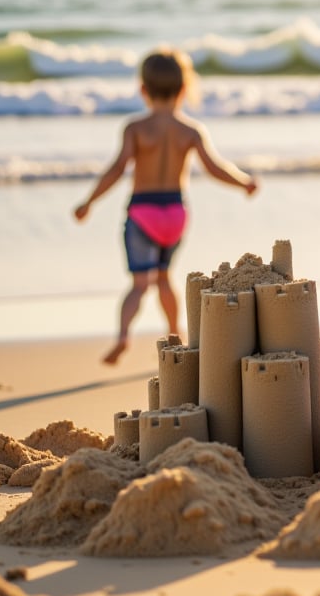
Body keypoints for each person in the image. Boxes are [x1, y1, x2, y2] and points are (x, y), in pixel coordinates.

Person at [74, 47, 258, 365]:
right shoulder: (190, 130)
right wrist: (244, 182)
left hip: (143, 212)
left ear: (143, 89)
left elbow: (116, 169)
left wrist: (89, 201)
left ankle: (122, 337)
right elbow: (215, 168)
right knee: (163, 277)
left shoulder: (135, 128)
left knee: (139, 284)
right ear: (184, 88)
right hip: (175, 214)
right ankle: (175, 332)